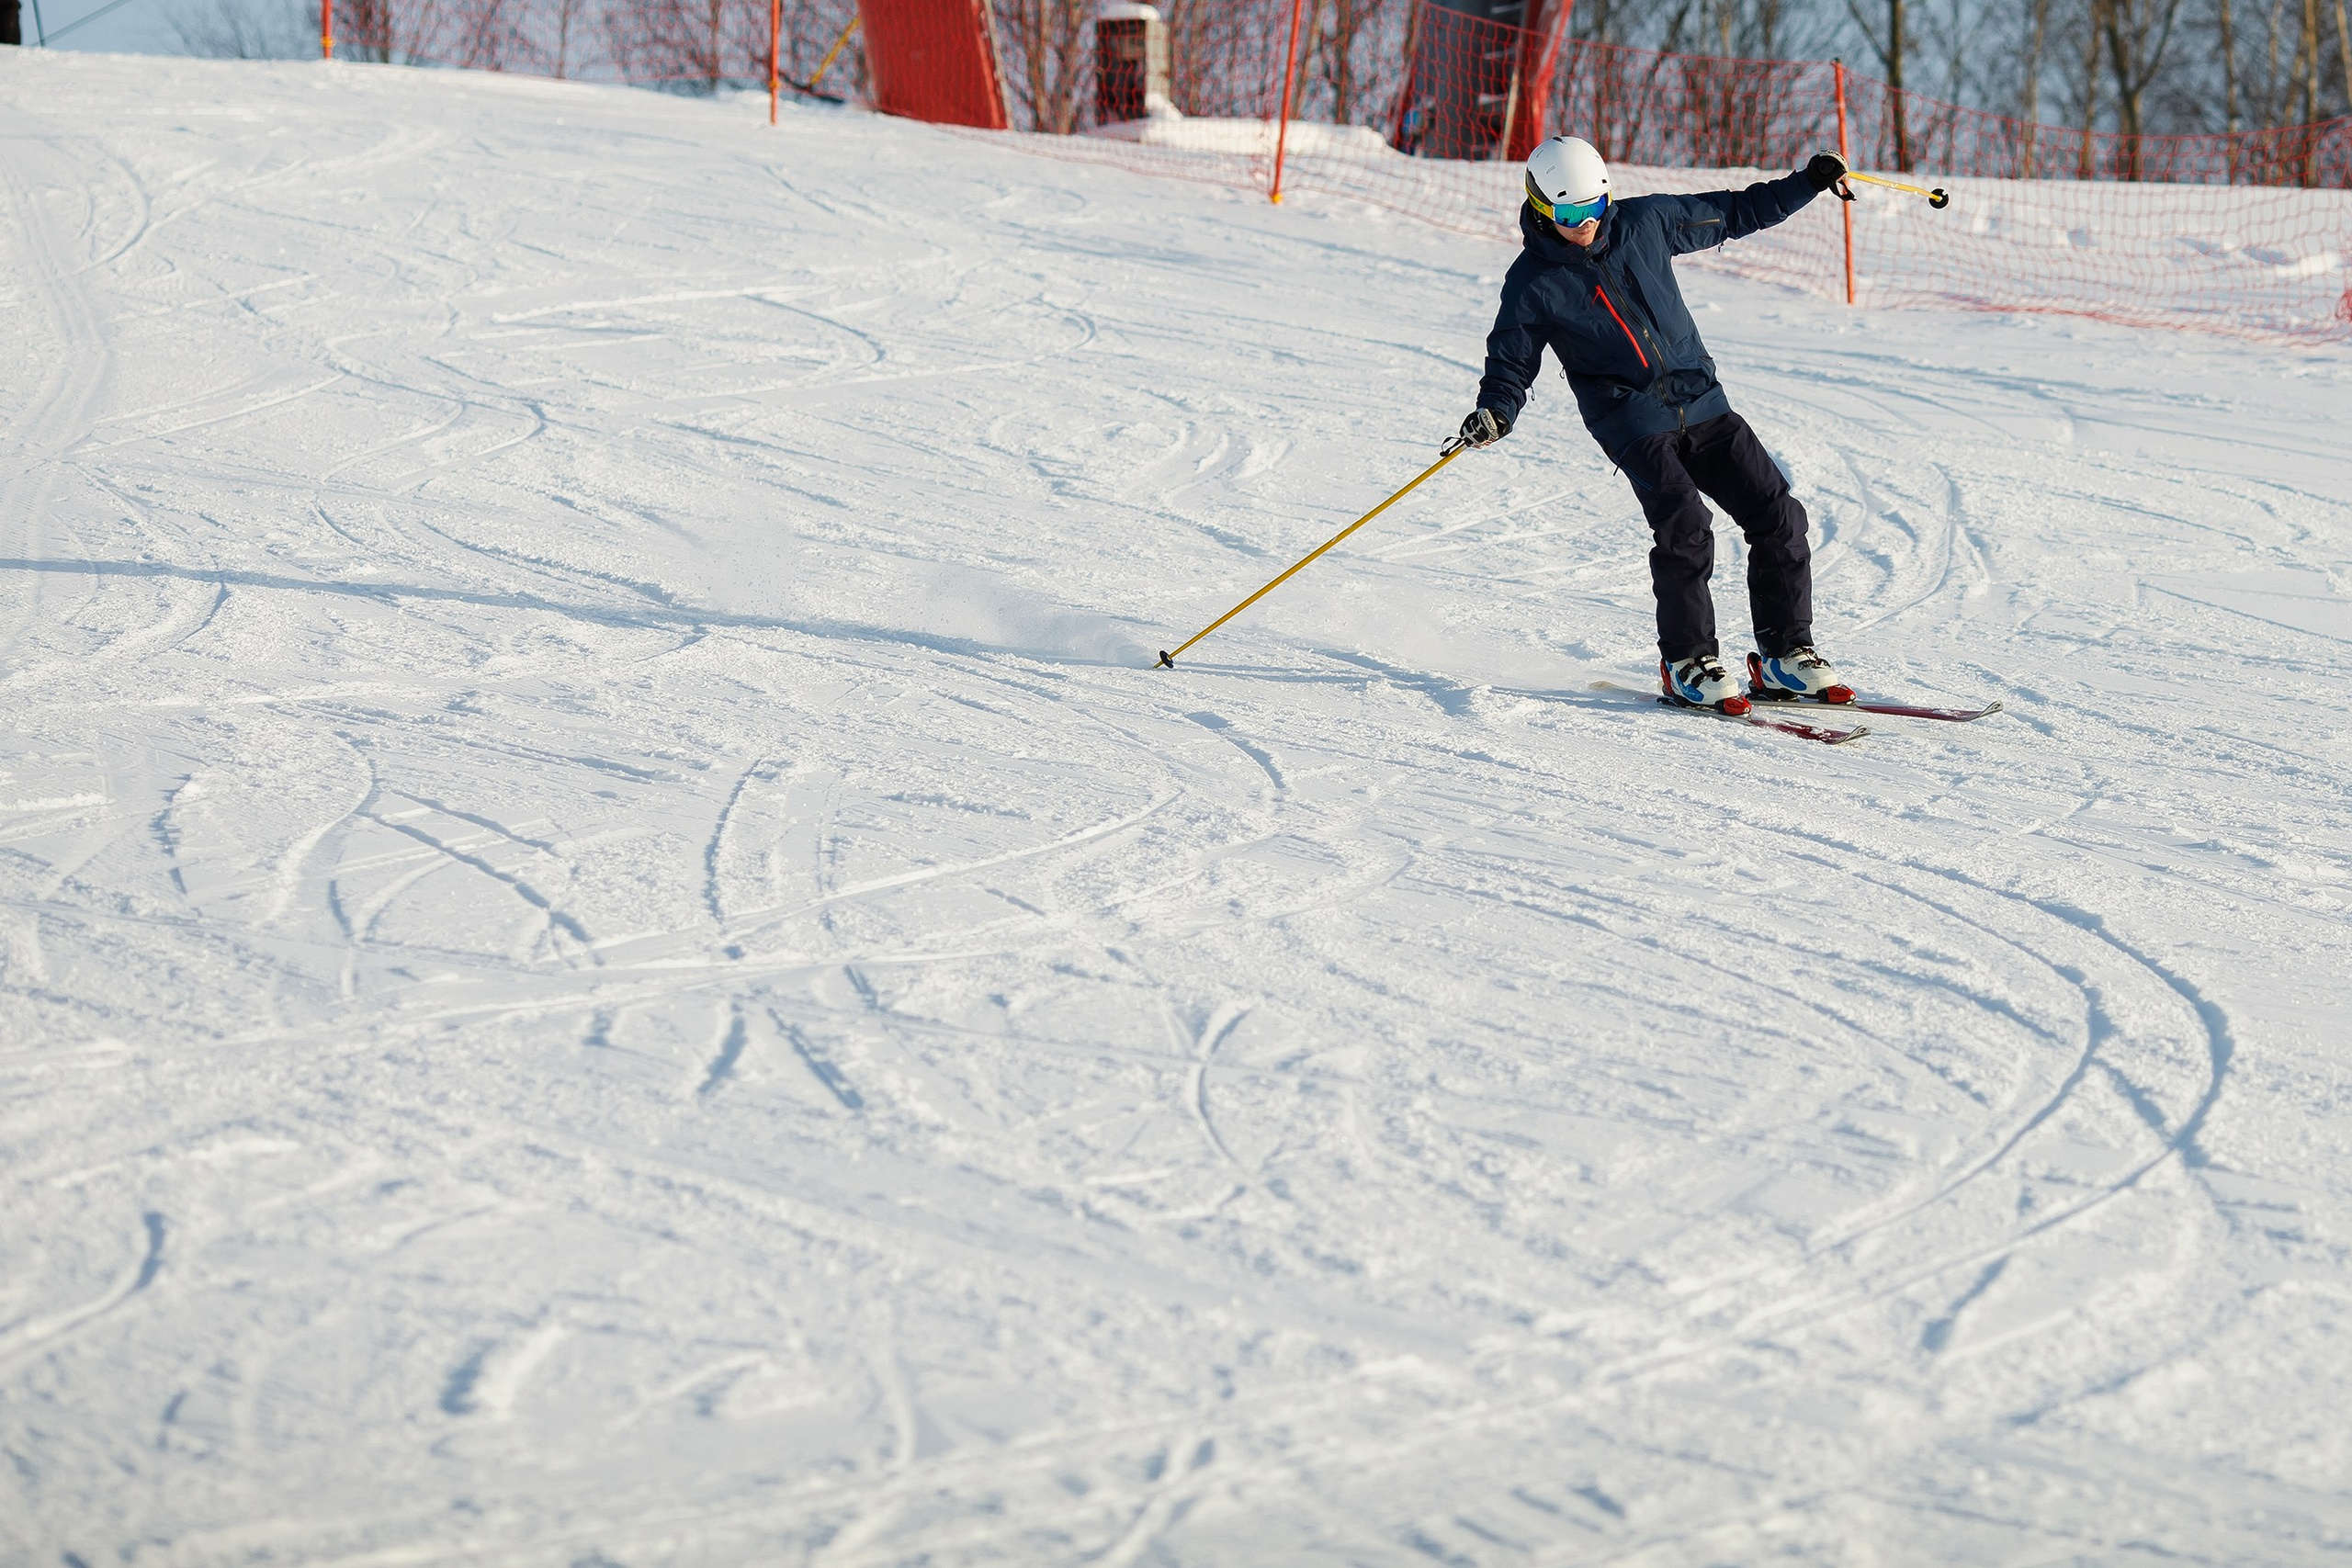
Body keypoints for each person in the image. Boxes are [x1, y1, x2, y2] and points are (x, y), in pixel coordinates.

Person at [1461, 136, 1856, 716]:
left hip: (1702, 400)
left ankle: (1784, 656)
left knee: (1777, 514)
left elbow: (1737, 211)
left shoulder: (1646, 222)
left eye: (1596, 207)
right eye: (1571, 215)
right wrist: (1497, 410)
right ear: (1543, 208)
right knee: (1685, 525)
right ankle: (1687, 663)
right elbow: (1512, 360)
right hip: (1629, 418)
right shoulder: (1533, 282)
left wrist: (1807, 182)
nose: (1587, 224)